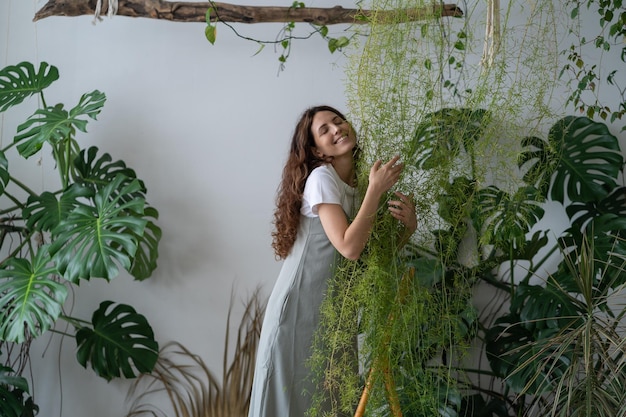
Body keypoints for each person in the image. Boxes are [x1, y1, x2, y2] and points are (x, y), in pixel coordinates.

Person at [248, 105, 417, 417]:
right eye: (324, 129)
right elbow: (349, 248)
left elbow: (368, 260)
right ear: (317, 150)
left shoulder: (359, 186)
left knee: (333, 403)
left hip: (336, 315)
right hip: (299, 312)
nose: (337, 129)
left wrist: (407, 229)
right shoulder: (321, 178)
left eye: (338, 121)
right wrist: (376, 191)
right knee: (293, 403)